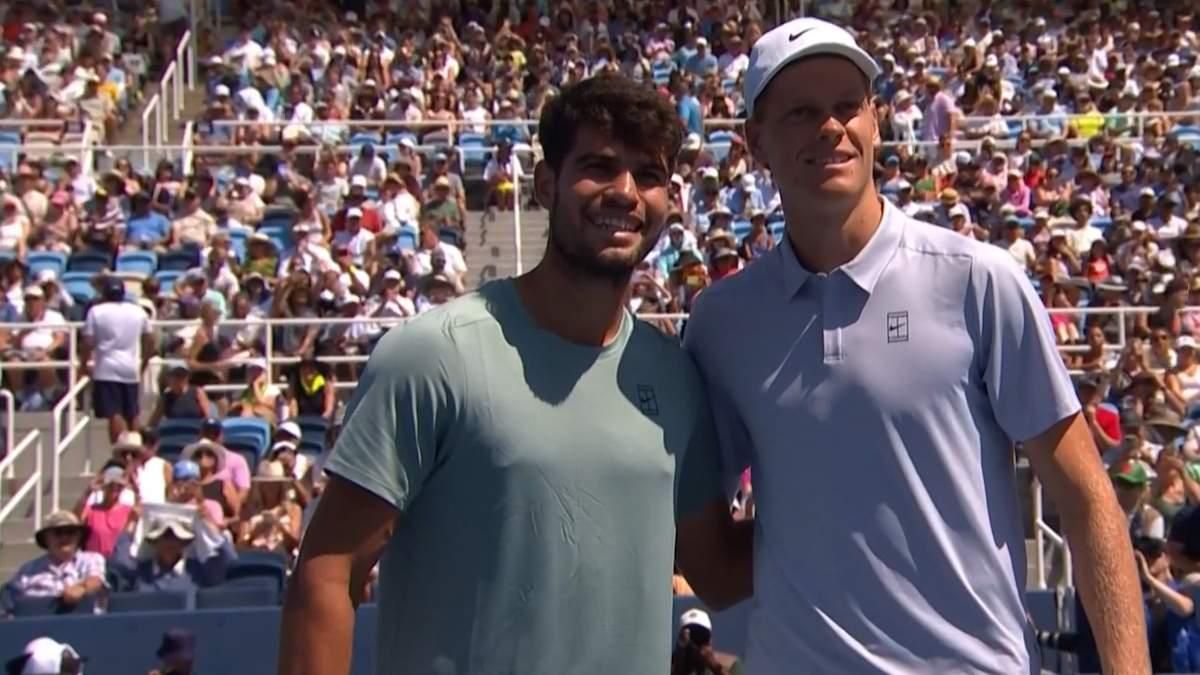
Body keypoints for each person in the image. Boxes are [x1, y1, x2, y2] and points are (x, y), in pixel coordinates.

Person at [675, 18, 1150, 675]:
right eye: (802, 111)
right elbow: (714, 565)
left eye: (848, 106)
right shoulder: (721, 322)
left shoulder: (979, 281)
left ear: (876, 120)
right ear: (756, 140)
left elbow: (1086, 498)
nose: (831, 127)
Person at [281, 73, 713, 675]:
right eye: (599, 166)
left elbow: (719, 564)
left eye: (649, 175)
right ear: (545, 183)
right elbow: (328, 572)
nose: (625, 192)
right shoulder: (432, 354)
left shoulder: (675, 376)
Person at [81, 275, 154, 442]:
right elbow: (150, 340)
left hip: (106, 368)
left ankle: (120, 449)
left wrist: (83, 365)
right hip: (131, 367)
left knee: (114, 412)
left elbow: (88, 342)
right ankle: (136, 446)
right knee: (132, 413)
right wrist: (144, 362)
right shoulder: (138, 311)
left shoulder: (96, 311)